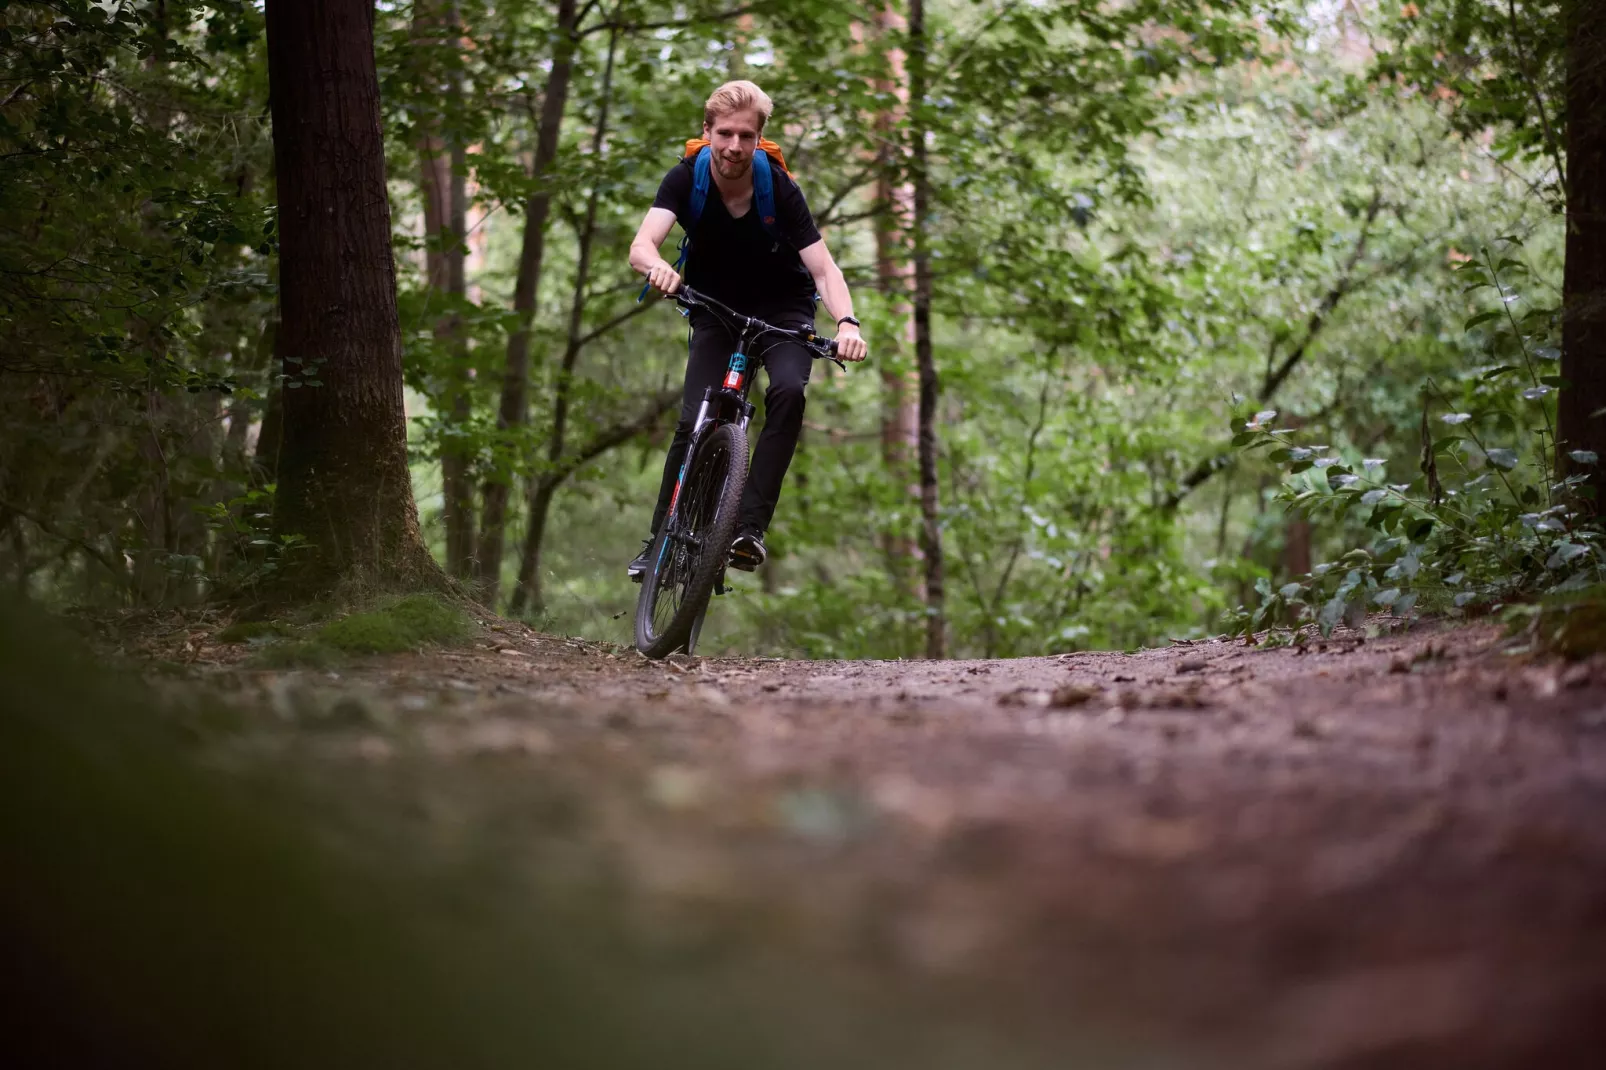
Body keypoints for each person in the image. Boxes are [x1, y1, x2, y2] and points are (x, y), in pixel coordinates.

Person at [627, 80, 869, 579]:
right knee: (694, 418)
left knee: (788, 392)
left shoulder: (778, 187)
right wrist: (657, 269)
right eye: (725, 134)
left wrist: (846, 322)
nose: (734, 147)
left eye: (745, 136)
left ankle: (748, 529)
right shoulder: (685, 178)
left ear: (759, 139)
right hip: (715, 304)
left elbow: (824, 270)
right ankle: (659, 543)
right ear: (707, 132)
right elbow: (642, 245)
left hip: (783, 308)